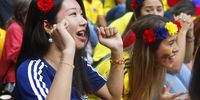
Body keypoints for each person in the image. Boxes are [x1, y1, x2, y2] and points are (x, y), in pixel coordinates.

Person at [15, 0, 124, 99]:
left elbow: (113, 96)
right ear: (48, 26)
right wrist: (68, 51)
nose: (84, 21)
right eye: (73, 14)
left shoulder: (79, 63)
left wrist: (117, 51)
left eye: (81, 14)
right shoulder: (31, 70)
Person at [0, 0, 31, 94]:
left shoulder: (26, 26)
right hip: (15, 76)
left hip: (25, 72)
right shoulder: (15, 28)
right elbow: (14, 55)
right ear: (22, 14)